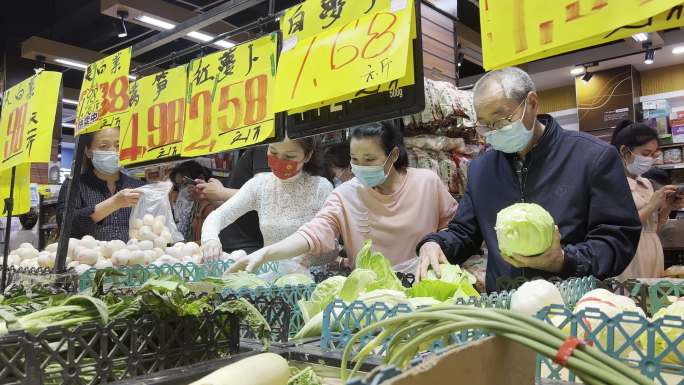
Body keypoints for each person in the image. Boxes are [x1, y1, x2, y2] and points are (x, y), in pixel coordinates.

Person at [417, 67, 642, 291]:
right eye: (485, 125)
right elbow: (464, 232)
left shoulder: (593, 157)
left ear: (532, 103)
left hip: (573, 307)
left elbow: (617, 239)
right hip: (507, 307)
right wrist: (436, 243)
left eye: (502, 119)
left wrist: (564, 260)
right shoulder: (481, 169)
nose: (493, 132)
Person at [227, 121, 458, 273]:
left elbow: (455, 229)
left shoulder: (427, 182)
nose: (360, 167)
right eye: (355, 160)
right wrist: (266, 253)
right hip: (371, 298)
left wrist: (433, 244)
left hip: (424, 288)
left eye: (369, 160)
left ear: (394, 155)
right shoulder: (345, 194)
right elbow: (314, 232)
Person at [201, 137, 333, 274]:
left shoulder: (321, 188)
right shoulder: (260, 185)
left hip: (311, 280)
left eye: (289, 156)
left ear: (307, 156)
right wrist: (210, 239)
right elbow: (219, 215)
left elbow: (330, 245)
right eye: (273, 152)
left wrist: (307, 260)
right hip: (270, 280)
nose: (279, 161)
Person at [611, 120, 684, 279]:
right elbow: (621, 228)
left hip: (652, 251)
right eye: (645, 154)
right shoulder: (612, 184)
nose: (650, 159)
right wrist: (652, 205)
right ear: (625, 151)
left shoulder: (646, 183)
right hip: (630, 256)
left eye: (653, 154)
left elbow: (652, 230)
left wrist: (667, 208)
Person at [57, 127, 144, 241]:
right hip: (87, 257)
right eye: (104, 146)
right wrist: (114, 203)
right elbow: (65, 225)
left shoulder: (138, 186)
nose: (113, 151)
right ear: (88, 151)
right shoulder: (74, 185)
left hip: (133, 257)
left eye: (118, 145)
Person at [192, 146, 270, 254]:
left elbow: (267, 195)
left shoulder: (263, 148)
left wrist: (221, 192)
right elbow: (237, 207)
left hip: (248, 247)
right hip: (231, 246)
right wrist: (214, 197)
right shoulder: (249, 150)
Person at [169, 161, 212, 241]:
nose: (182, 190)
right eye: (179, 186)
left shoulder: (209, 207)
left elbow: (207, 241)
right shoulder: (192, 206)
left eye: (185, 184)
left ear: (200, 179)